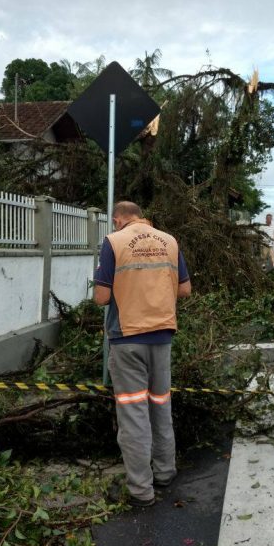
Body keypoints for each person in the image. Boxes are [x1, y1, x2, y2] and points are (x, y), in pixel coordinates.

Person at [93, 201, 192, 507]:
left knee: (134, 416)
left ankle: (141, 491)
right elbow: (185, 290)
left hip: (127, 339)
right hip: (162, 337)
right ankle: (165, 472)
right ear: (142, 217)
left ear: (119, 219)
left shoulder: (114, 242)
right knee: (161, 405)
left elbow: (101, 298)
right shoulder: (169, 241)